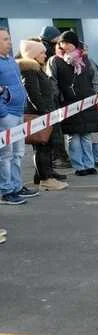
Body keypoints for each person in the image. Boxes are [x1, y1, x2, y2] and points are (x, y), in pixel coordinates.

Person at [17, 39, 67, 191]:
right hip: (39, 114)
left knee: (45, 146)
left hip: (44, 112)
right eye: (42, 53)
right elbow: (33, 94)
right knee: (43, 146)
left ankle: (42, 175)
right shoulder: (29, 70)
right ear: (33, 54)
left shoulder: (37, 68)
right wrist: (45, 112)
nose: (45, 55)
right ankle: (46, 179)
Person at [49, 31, 98, 176]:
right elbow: (52, 81)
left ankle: (89, 165)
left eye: (68, 42)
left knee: (86, 135)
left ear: (75, 43)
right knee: (73, 137)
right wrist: (58, 98)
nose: (64, 45)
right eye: (62, 42)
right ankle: (79, 167)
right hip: (67, 103)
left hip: (87, 102)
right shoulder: (55, 61)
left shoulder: (86, 59)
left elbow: (95, 77)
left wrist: (95, 94)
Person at [0, 28, 36, 204]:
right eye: (5, 39)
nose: (10, 42)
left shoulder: (11, 61)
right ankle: (6, 191)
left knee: (18, 153)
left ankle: (16, 186)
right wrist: (3, 113)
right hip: (6, 116)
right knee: (5, 156)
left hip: (18, 113)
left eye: (9, 38)